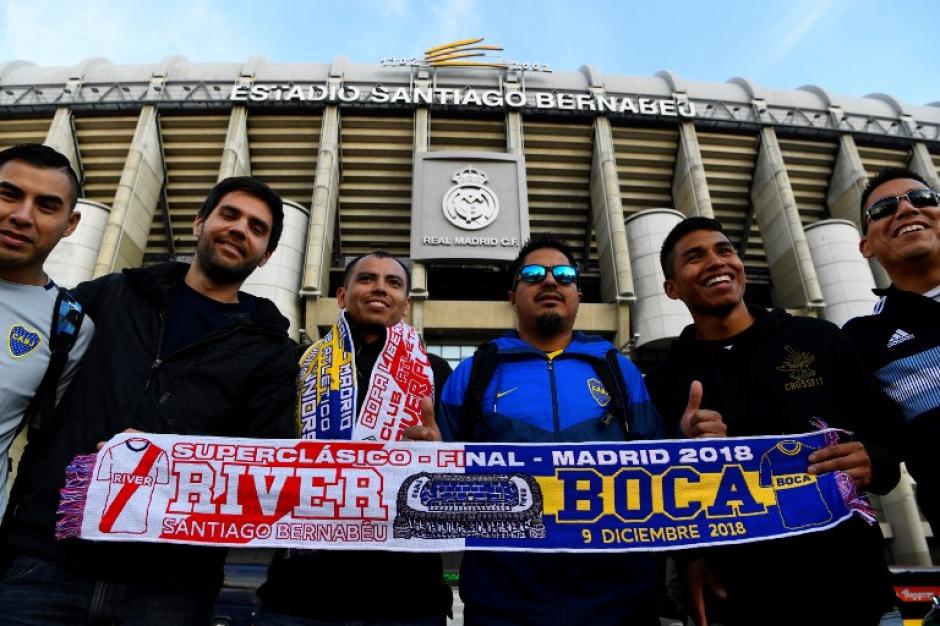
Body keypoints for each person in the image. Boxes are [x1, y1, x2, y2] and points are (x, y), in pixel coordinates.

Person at [0, 176, 297, 624]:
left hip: (169, 586)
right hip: (47, 560)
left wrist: (173, 461)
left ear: (267, 255)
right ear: (199, 223)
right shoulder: (114, 294)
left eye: (257, 228)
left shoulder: (271, 351)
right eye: (229, 215)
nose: (240, 229)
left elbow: (260, 468)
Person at [644, 216, 903, 626]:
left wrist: (874, 458)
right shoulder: (663, 383)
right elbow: (657, 485)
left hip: (854, 593)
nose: (716, 262)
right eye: (695, 257)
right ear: (671, 289)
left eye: (724, 250)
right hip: (741, 601)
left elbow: (886, 428)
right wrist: (690, 558)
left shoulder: (817, 339)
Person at [438, 233, 665, 626]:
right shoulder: (473, 373)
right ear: (512, 295)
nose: (549, 281)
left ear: (578, 293)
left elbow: (659, 470)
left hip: (620, 601)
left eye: (563, 274)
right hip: (502, 603)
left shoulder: (618, 369)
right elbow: (439, 477)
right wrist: (421, 453)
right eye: (533, 274)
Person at [257, 251, 454, 625]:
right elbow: (255, 450)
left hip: (408, 597)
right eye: (366, 279)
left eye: (393, 283)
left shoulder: (436, 373)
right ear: (342, 295)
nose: (380, 287)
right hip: (300, 596)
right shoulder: (296, 364)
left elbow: (465, 474)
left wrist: (440, 455)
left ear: (406, 304)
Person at [843, 167, 940, 534]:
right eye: (883, 209)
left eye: (922, 199)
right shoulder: (863, 341)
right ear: (866, 246)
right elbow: (875, 446)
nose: (906, 210)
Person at [0, 143, 94, 517]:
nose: (23, 216)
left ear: (70, 224)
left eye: (47, 206)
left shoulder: (69, 327)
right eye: (9, 195)